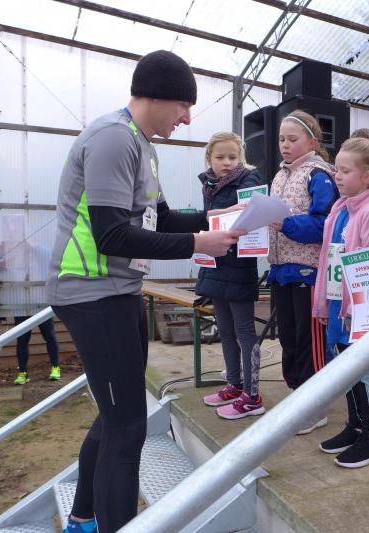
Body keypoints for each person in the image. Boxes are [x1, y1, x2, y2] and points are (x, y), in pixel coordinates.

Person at [45, 50, 245, 533]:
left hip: (119, 291)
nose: (188, 118)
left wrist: (217, 219)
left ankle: (83, 519)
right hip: (92, 294)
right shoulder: (113, 139)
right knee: (128, 426)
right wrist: (199, 244)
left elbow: (163, 218)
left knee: (116, 417)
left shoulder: (141, 145)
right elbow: (112, 235)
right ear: (157, 96)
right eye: (184, 106)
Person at [312, 138, 369, 468]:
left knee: (363, 369)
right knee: (345, 366)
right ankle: (355, 425)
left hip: (356, 309)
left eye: (345, 171)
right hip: (336, 304)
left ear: (368, 176)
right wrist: (323, 304)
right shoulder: (338, 210)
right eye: (337, 170)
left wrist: (354, 308)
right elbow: (326, 261)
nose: (338, 176)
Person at [268, 110, 338, 435]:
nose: (285, 144)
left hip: (308, 272)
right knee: (288, 338)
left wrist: (287, 224)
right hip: (281, 270)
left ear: (312, 141)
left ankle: (315, 406)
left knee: (309, 341)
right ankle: (298, 396)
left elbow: (326, 223)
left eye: (292, 139)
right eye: (281, 139)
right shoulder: (278, 176)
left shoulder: (319, 175)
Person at [196, 132, 266, 420]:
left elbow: (245, 212)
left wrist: (218, 213)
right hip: (214, 263)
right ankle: (234, 385)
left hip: (239, 266)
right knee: (225, 330)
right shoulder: (208, 185)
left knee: (244, 331)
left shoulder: (248, 179)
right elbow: (210, 217)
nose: (227, 162)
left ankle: (252, 395)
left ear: (241, 158)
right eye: (220, 157)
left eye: (233, 157)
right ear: (209, 158)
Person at [12, 315, 61, 384]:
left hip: (42, 309)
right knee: (22, 340)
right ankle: (23, 373)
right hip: (21, 311)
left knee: (50, 336)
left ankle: (55, 368)